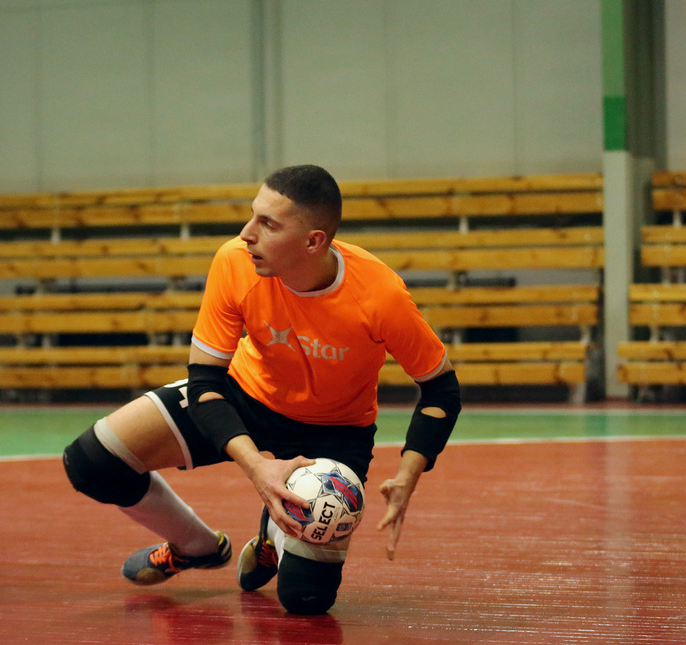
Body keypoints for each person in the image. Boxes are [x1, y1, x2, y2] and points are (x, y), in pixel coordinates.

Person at [62, 164, 461, 614]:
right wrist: (256, 466)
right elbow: (206, 382)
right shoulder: (235, 260)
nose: (246, 233)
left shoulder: (381, 295)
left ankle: (272, 537)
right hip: (245, 396)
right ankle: (196, 546)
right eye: (253, 215)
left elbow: (441, 391)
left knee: (306, 599)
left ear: (313, 241)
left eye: (268, 224)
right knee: (91, 463)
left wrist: (407, 476)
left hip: (334, 432)